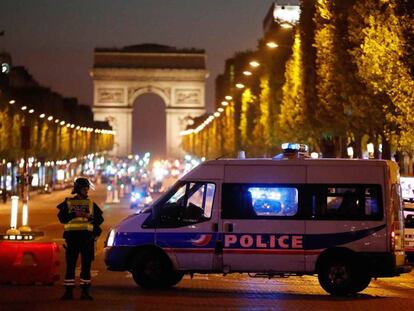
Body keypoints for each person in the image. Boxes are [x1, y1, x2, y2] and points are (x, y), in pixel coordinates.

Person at [57, 177, 104, 300]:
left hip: (86, 238)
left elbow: (100, 220)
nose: (87, 191)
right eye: (84, 188)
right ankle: (68, 292)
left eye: (87, 188)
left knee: (86, 266)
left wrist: (90, 218)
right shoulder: (69, 202)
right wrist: (75, 214)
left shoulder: (90, 203)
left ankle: (85, 292)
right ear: (78, 189)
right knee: (71, 265)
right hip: (73, 238)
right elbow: (62, 218)